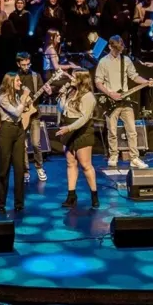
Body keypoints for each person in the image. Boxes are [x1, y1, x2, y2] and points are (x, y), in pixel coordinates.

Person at [94, 35, 153, 170]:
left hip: (125, 100)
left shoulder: (126, 60)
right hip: (111, 100)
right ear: (110, 47)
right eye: (116, 49)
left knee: (132, 131)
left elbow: (134, 76)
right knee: (112, 130)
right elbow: (98, 82)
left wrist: (146, 82)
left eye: (120, 50)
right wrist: (110, 93)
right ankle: (113, 155)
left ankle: (134, 158)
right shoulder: (103, 62)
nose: (118, 52)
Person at [56, 71, 99, 208]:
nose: (71, 78)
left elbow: (84, 118)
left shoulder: (88, 96)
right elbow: (62, 109)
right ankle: (71, 195)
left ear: (82, 79)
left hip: (81, 130)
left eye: (74, 77)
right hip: (68, 128)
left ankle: (94, 195)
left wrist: (69, 128)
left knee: (85, 165)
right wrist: (62, 95)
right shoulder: (71, 92)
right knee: (71, 163)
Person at [0, 72, 33, 213]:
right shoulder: (3, 97)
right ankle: (0, 202)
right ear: (10, 82)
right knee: (4, 168)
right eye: (17, 81)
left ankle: (19, 202)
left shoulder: (16, 96)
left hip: (19, 129)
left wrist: (26, 102)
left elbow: (22, 111)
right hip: (7, 130)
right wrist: (24, 97)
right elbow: (15, 113)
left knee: (19, 167)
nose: (20, 83)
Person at [16, 52, 50, 183]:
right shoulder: (15, 78)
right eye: (23, 64)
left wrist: (48, 91)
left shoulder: (36, 76)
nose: (26, 67)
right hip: (20, 115)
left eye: (28, 64)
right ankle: (25, 171)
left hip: (34, 114)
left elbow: (42, 93)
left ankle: (39, 167)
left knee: (36, 143)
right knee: (22, 146)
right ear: (18, 64)